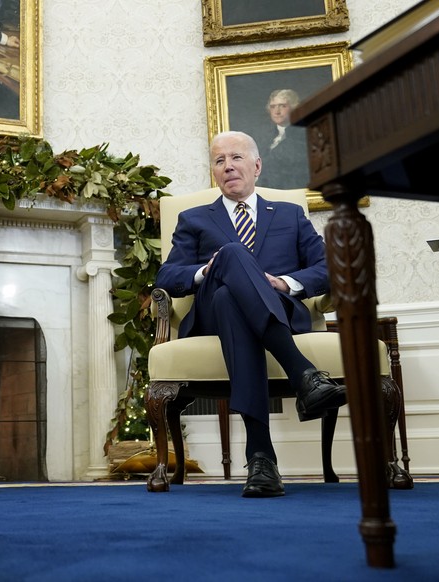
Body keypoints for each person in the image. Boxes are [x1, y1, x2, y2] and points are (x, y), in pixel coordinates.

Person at [155, 131, 346, 498]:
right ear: (213, 171)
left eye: (236, 157)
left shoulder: (290, 214)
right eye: (219, 160)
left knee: (231, 300)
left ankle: (261, 457)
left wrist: (286, 283)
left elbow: (329, 268)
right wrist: (203, 272)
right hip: (208, 314)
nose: (228, 166)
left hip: (276, 308)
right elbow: (167, 276)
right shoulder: (193, 218)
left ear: (257, 165)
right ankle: (303, 373)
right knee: (228, 256)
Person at [256, 89, 309, 190]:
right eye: (273, 107)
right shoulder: (264, 139)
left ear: (293, 108)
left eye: (283, 106)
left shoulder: (304, 136)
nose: (277, 111)